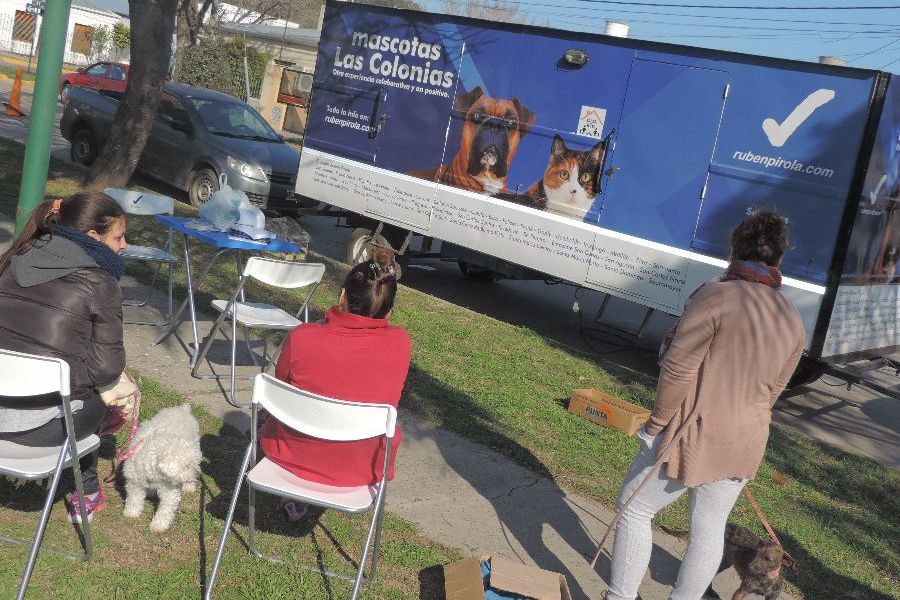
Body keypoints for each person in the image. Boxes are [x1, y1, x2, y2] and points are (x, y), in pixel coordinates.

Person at [603, 211, 805, 600]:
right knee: (709, 527)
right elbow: (774, 391)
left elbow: (678, 369)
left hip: (694, 432)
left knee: (633, 509)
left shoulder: (715, 294)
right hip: (746, 439)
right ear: (778, 260)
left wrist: (655, 424)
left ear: (734, 249)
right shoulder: (791, 317)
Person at [0, 192, 129, 524]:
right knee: (101, 398)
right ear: (92, 237)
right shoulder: (101, 284)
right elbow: (105, 371)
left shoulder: (13, 260)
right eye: (118, 237)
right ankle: (85, 493)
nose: (125, 245)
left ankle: (86, 491)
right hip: (41, 430)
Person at [260, 248, 411, 522]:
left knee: (269, 408)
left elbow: (282, 385)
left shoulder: (302, 338)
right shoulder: (400, 344)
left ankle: (296, 495)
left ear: (342, 296)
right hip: (362, 467)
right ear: (389, 312)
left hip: (292, 455)